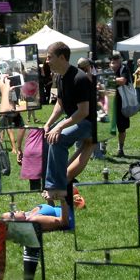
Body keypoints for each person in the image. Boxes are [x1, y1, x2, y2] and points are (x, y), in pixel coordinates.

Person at [42, 42, 96, 206]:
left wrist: (59, 127)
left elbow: (83, 112)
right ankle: (54, 185)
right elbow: (60, 104)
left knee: (58, 138)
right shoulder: (58, 76)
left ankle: (54, 189)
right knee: (46, 137)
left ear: (62, 57)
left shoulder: (79, 78)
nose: (46, 61)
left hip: (89, 123)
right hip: (75, 118)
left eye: (49, 57)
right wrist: (49, 123)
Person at [110, 53, 132, 157]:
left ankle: (120, 149)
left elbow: (123, 81)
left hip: (122, 104)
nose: (113, 63)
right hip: (109, 102)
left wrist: (108, 79)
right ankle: (102, 148)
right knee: (105, 126)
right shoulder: (107, 68)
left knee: (122, 128)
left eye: (115, 60)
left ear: (120, 60)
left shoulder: (124, 69)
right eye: (112, 61)